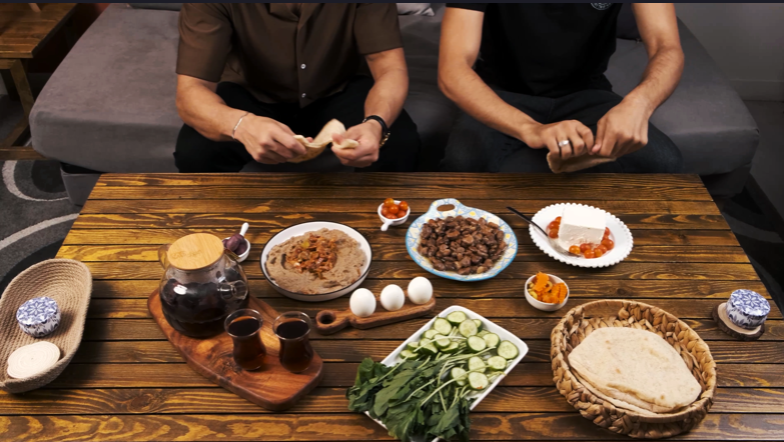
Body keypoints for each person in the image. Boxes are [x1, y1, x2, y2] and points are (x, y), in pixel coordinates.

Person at [438, 3, 685, 173]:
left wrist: (639, 104)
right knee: (463, 161)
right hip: (500, 92)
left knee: (663, 161)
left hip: (587, 91)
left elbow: (667, 47)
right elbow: (453, 68)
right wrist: (530, 129)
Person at [174, 3, 420, 173]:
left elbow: (389, 67)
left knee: (399, 141)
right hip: (252, 91)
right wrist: (242, 126)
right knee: (195, 152)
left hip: (338, 86)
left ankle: (381, 231)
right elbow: (191, 90)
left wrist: (375, 124)